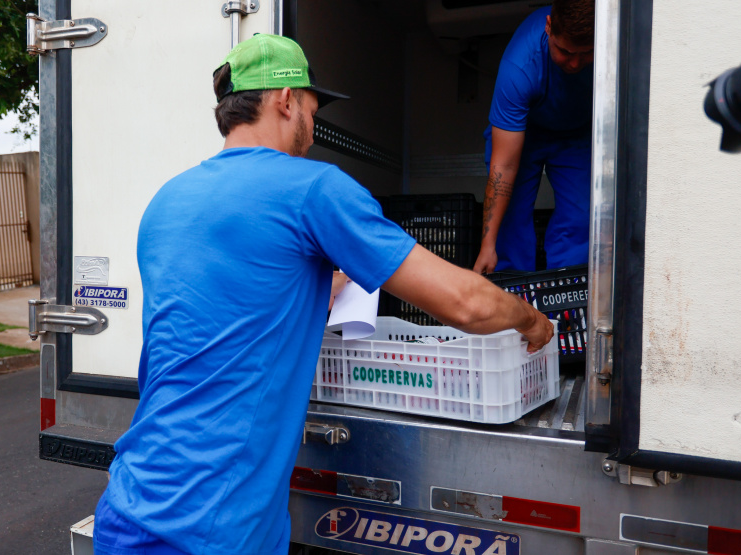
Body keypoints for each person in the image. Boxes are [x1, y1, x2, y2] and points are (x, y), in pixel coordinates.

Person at [92, 34, 554, 555]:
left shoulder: (167, 201)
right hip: (214, 530)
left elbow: (248, 292)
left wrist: (336, 282)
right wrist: (531, 321)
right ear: (286, 99)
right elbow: (464, 303)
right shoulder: (312, 189)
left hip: (127, 508)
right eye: (313, 107)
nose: (314, 127)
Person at [473, 0, 595, 274]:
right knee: (510, 223)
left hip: (577, 136)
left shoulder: (611, 54)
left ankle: (567, 306)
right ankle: (511, 303)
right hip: (523, 135)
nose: (574, 63)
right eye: (564, 51)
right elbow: (503, 166)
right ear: (549, 27)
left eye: (585, 54)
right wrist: (487, 245)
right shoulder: (519, 67)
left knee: (581, 221)